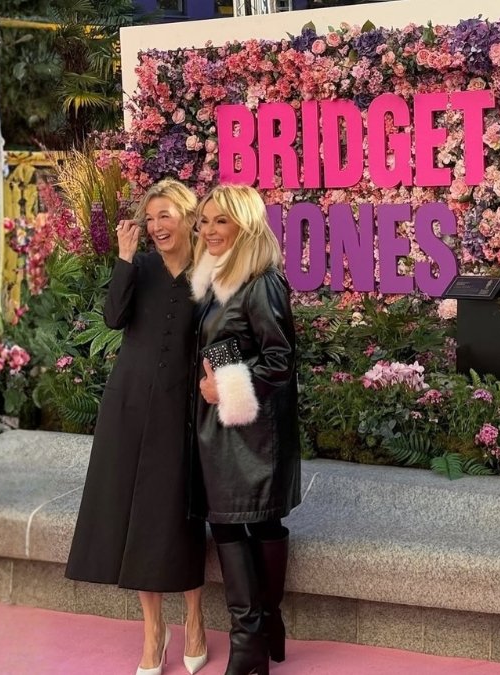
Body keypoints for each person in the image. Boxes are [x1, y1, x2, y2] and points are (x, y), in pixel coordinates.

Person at [65, 178, 209, 675]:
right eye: (150, 219)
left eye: (165, 215)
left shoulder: (211, 269)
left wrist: (226, 390)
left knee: (175, 514)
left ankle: (193, 616)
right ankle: (152, 629)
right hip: (128, 405)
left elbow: (226, 334)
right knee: (135, 516)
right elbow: (113, 317)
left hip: (185, 409)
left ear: (189, 217)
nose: (156, 226)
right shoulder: (140, 265)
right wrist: (124, 258)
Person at [191, 184, 301, 675]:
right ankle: (260, 630)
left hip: (253, 428)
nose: (209, 230)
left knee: (256, 519)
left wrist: (226, 387)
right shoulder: (210, 278)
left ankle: (252, 640)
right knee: (228, 520)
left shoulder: (262, 280)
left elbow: (280, 358)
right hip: (218, 425)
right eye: (205, 221)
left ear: (245, 224)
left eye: (220, 221)